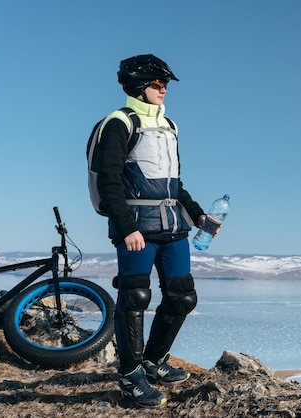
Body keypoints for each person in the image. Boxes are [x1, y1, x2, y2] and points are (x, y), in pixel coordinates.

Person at [95, 54, 206, 407]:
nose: (163, 90)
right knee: (135, 298)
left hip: (173, 227)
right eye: (157, 84)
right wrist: (126, 227)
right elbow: (110, 179)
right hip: (137, 230)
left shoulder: (169, 126)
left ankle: (153, 362)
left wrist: (198, 214)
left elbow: (173, 183)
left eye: (166, 85)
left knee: (182, 298)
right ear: (137, 86)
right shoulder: (119, 123)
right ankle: (130, 378)